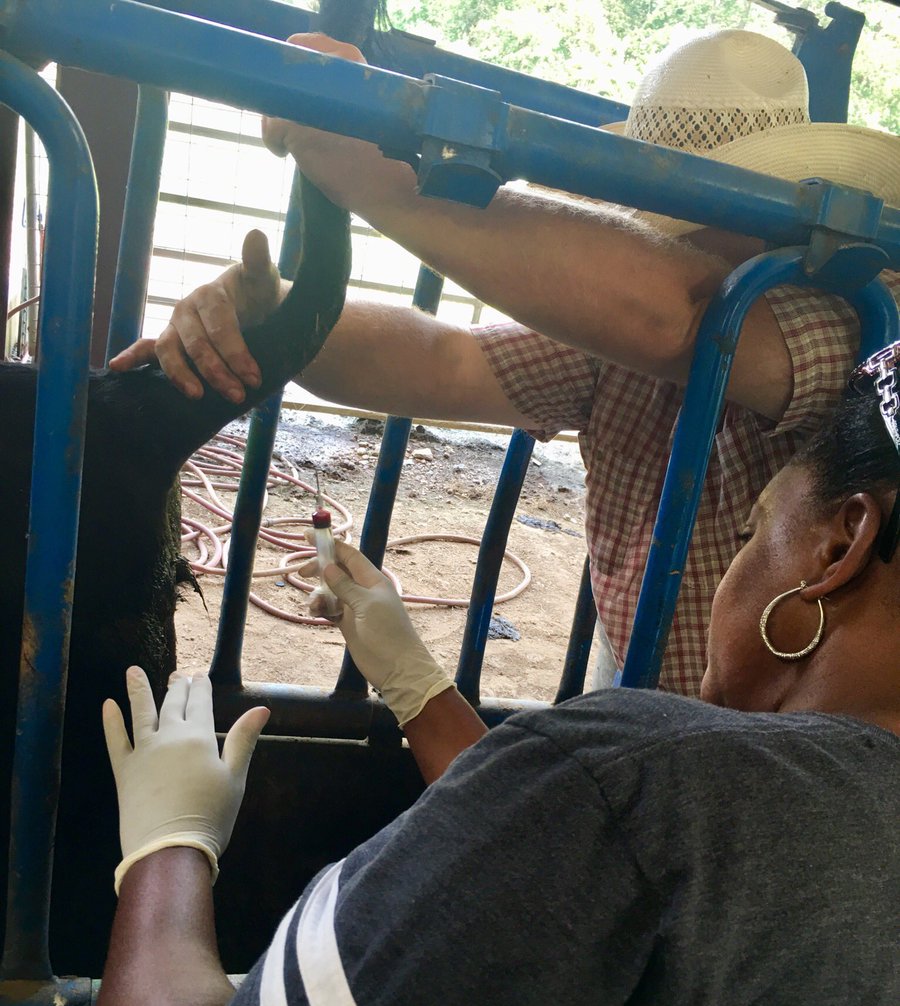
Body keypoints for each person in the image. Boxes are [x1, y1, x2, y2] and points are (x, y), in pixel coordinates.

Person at [89, 343, 900, 1006]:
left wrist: (165, 846)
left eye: (749, 531)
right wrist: (418, 688)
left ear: (837, 547)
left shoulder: (651, 792)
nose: (735, 562)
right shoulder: (662, 814)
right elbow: (592, 877)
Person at [110, 29, 900, 696]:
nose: (674, 234)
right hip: (631, 670)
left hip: (785, 726)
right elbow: (446, 361)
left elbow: (683, 316)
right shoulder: (620, 336)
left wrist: (381, 182)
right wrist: (279, 311)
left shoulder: (862, 316)